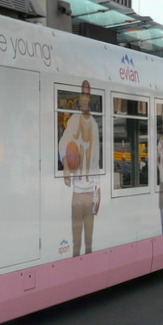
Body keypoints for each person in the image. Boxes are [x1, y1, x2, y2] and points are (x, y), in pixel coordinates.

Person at [58, 80, 101, 256]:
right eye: (82, 94)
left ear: (89, 97)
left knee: (89, 243)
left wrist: (98, 193)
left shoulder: (95, 124)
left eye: (87, 94)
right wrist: (66, 166)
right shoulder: (74, 120)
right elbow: (63, 143)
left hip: (90, 192)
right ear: (79, 97)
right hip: (77, 192)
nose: (84, 98)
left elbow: (96, 160)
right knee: (76, 243)